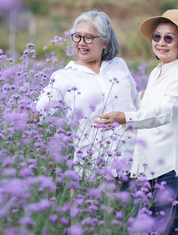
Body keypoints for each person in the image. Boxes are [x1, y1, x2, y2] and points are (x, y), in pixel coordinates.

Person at [95, 9, 178, 234]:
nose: (161, 43)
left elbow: (164, 112)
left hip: (173, 170)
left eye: (169, 38)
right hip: (149, 169)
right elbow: (145, 105)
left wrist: (125, 117)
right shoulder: (157, 72)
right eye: (157, 37)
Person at [35, 10, 140, 182]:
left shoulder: (119, 66)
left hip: (130, 168)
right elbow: (40, 111)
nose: (81, 43)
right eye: (77, 36)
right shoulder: (63, 77)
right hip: (91, 172)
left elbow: (136, 102)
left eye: (89, 37)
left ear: (105, 42)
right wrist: (26, 114)